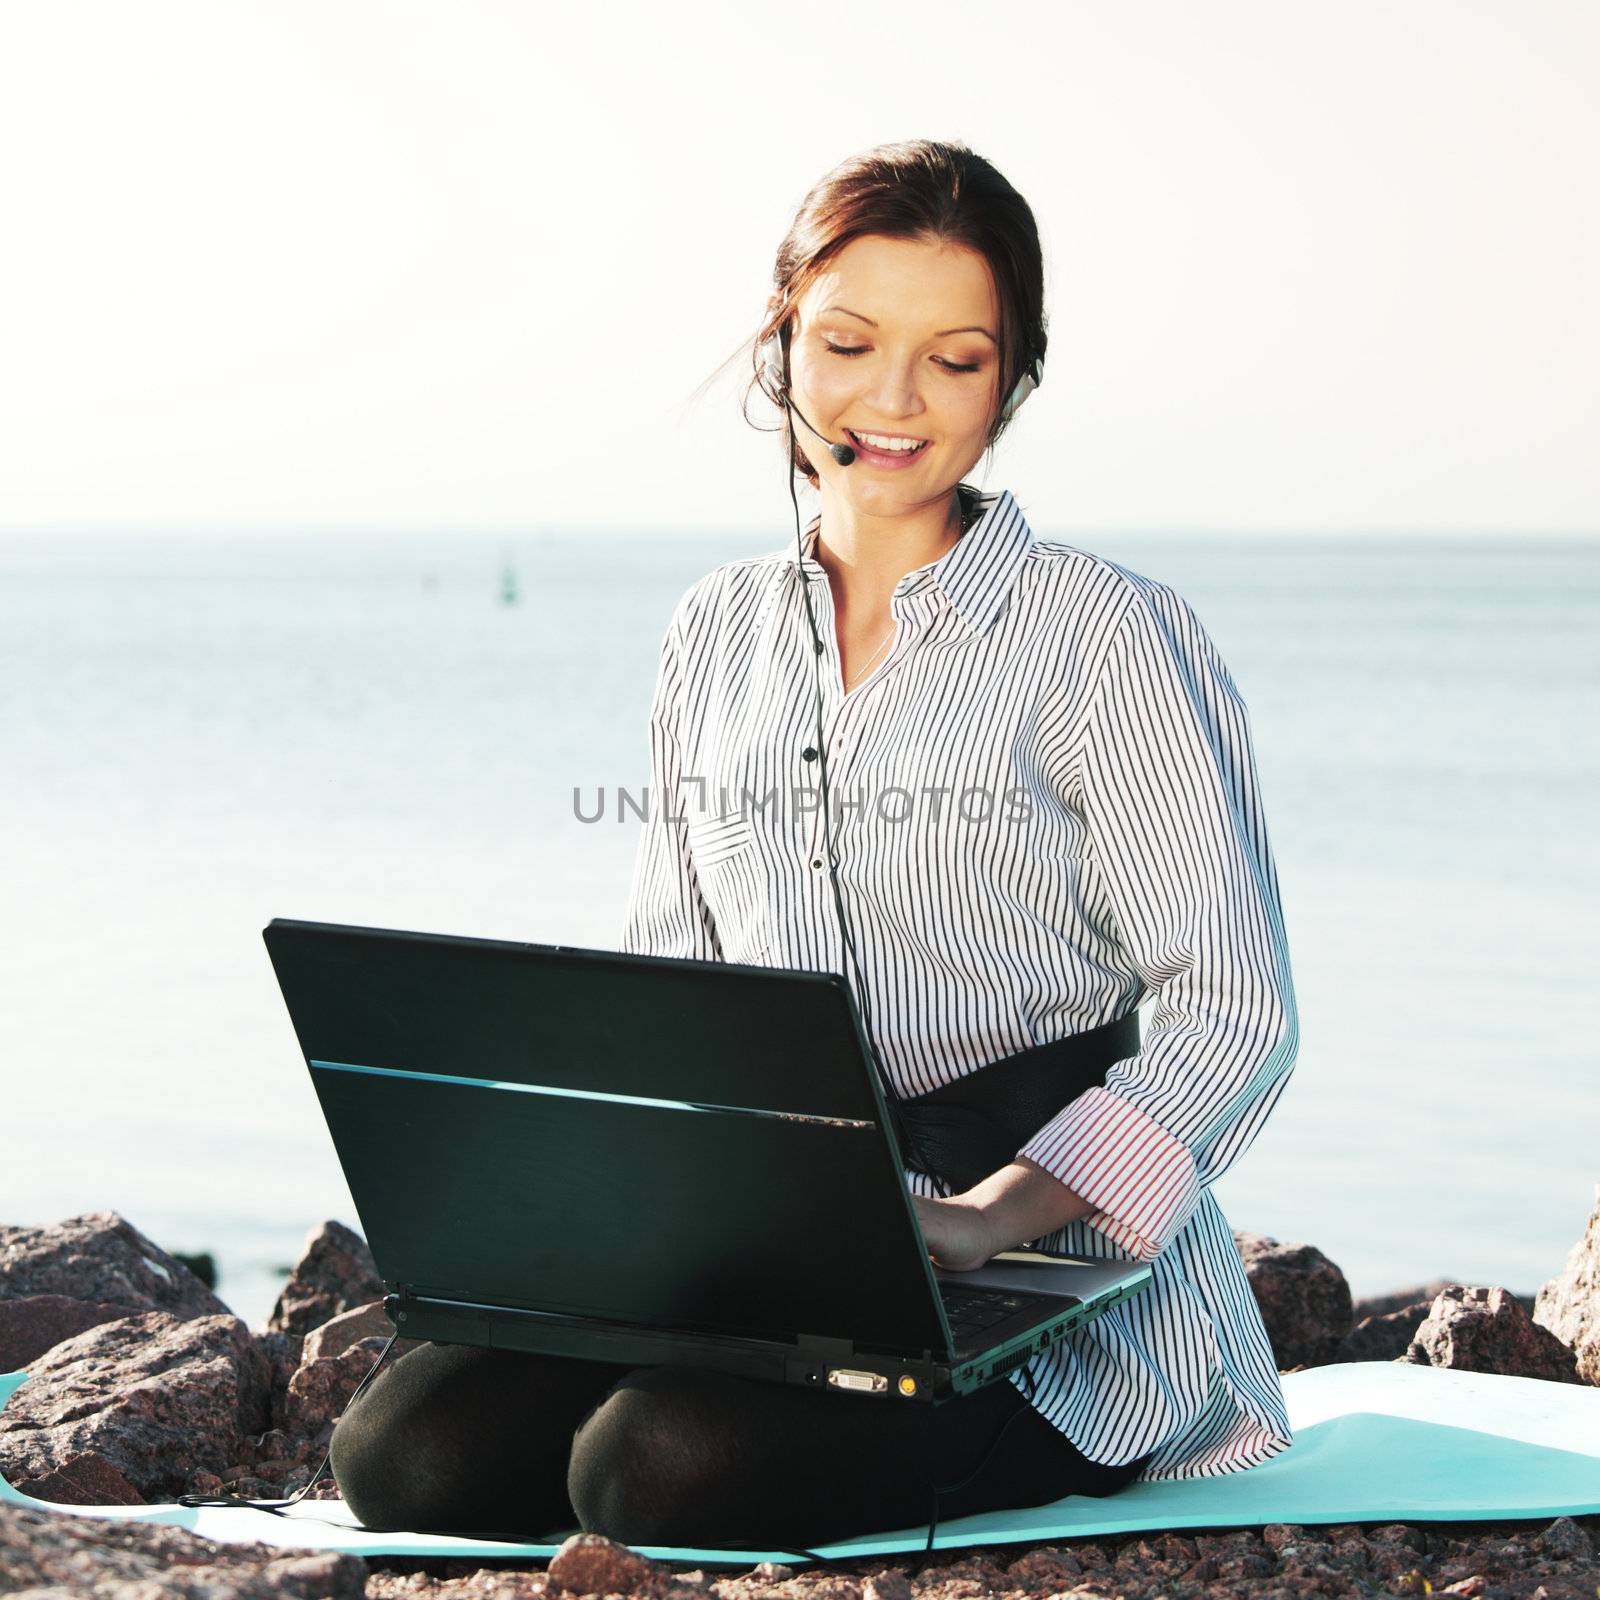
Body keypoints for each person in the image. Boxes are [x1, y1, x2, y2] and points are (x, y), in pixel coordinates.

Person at [328, 137, 1298, 1554]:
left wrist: (981, 1219)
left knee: (662, 1473)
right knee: (406, 1460)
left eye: (955, 359)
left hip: (1039, 1252)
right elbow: (672, 980)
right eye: (848, 343)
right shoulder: (713, 631)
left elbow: (1235, 1014)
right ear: (783, 345)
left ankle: (1027, 1409)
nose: (893, 402)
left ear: (1014, 379)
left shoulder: (1109, 637)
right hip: (766, 1240)